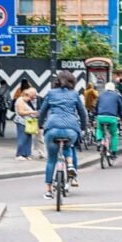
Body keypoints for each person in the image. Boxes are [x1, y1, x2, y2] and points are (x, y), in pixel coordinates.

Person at [38, 71, 88, 200]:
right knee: (68, 146)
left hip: (52, 128)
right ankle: (70, 165)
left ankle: (48, 191)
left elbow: (42, 111)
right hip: (71, 128)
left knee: (51, 160)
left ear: (57, 81)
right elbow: (82, 113)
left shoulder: (51, 93)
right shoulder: (75, 94)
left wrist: (40, 125)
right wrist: (83, 128)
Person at [95, 82, 122, 159]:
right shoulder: (116, 95)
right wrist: (121, 116)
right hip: (112, 117)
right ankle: (114, 153)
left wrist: (96, 114)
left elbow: (97, 105)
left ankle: (99, 141)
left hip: (101, 116)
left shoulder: (101, 94)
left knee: (99, 129)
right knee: (114, 134)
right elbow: (120, 107)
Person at [14, 88, 39, 160]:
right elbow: (21, 112)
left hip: (27, 122)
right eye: (31, 97)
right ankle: (19, 154)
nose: (30, 99)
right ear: (27, 95)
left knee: (28, 138)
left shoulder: (24, 102)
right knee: (22, 138)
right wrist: (32, 112)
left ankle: (27, 154)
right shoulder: (20, 101)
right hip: (21, 122)